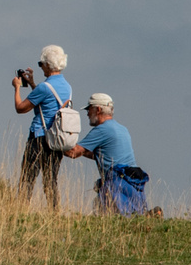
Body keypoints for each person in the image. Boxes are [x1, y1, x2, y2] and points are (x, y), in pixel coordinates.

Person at [63, 93, 154, 216]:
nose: (87, 113)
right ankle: (151, 215)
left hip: (116, 183)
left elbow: (73, 152)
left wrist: (55, 143)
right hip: (133, 183)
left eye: (89, 109)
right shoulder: (122, 129)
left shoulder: (102, 130)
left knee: (111, 219)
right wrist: (83, 151)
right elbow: (102, 155)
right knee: (134, 217)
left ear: (98, 109)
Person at [14, 44, 72, 210]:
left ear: (48, 65)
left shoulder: (44, 88)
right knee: (50, 180)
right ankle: (54, 213)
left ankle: (21, 211)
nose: (40, 67)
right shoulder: (67, 87)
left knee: (27, 178)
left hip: (39, 136)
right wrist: (32, 84)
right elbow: (47, 102)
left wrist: (17, 87)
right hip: (57, 138)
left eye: (41, 64)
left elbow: (21, 108)